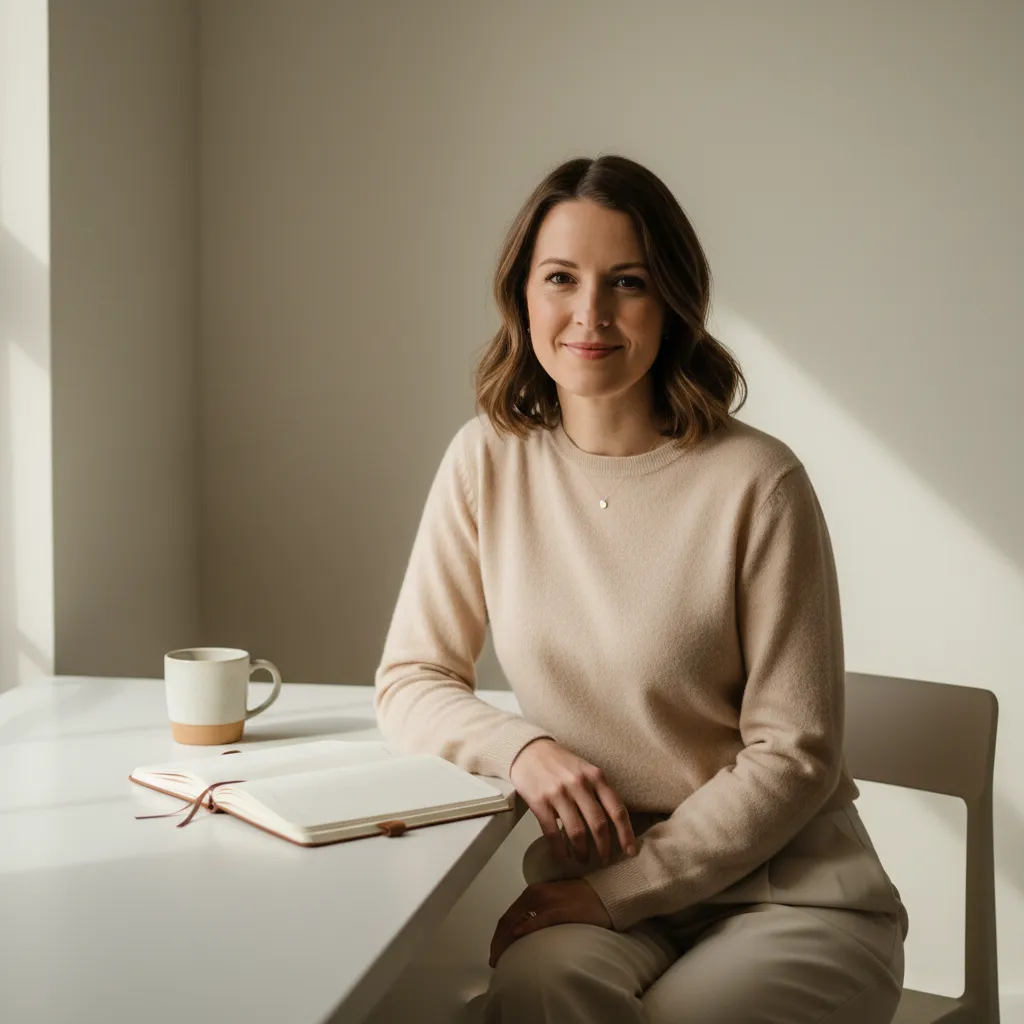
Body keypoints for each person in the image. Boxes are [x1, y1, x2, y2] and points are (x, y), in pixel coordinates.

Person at [374, 154, 909, 1023]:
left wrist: (628, 885)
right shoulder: (486, 460)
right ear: (523, 297)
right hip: (595, 887)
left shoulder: (758, 481)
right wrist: (522, 750)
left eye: (627, 282)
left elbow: (796, 752)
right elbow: (410, 682)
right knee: (539, 988)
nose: (590, 315)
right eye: (561, 279)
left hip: (788, 889)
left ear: (673, 302)